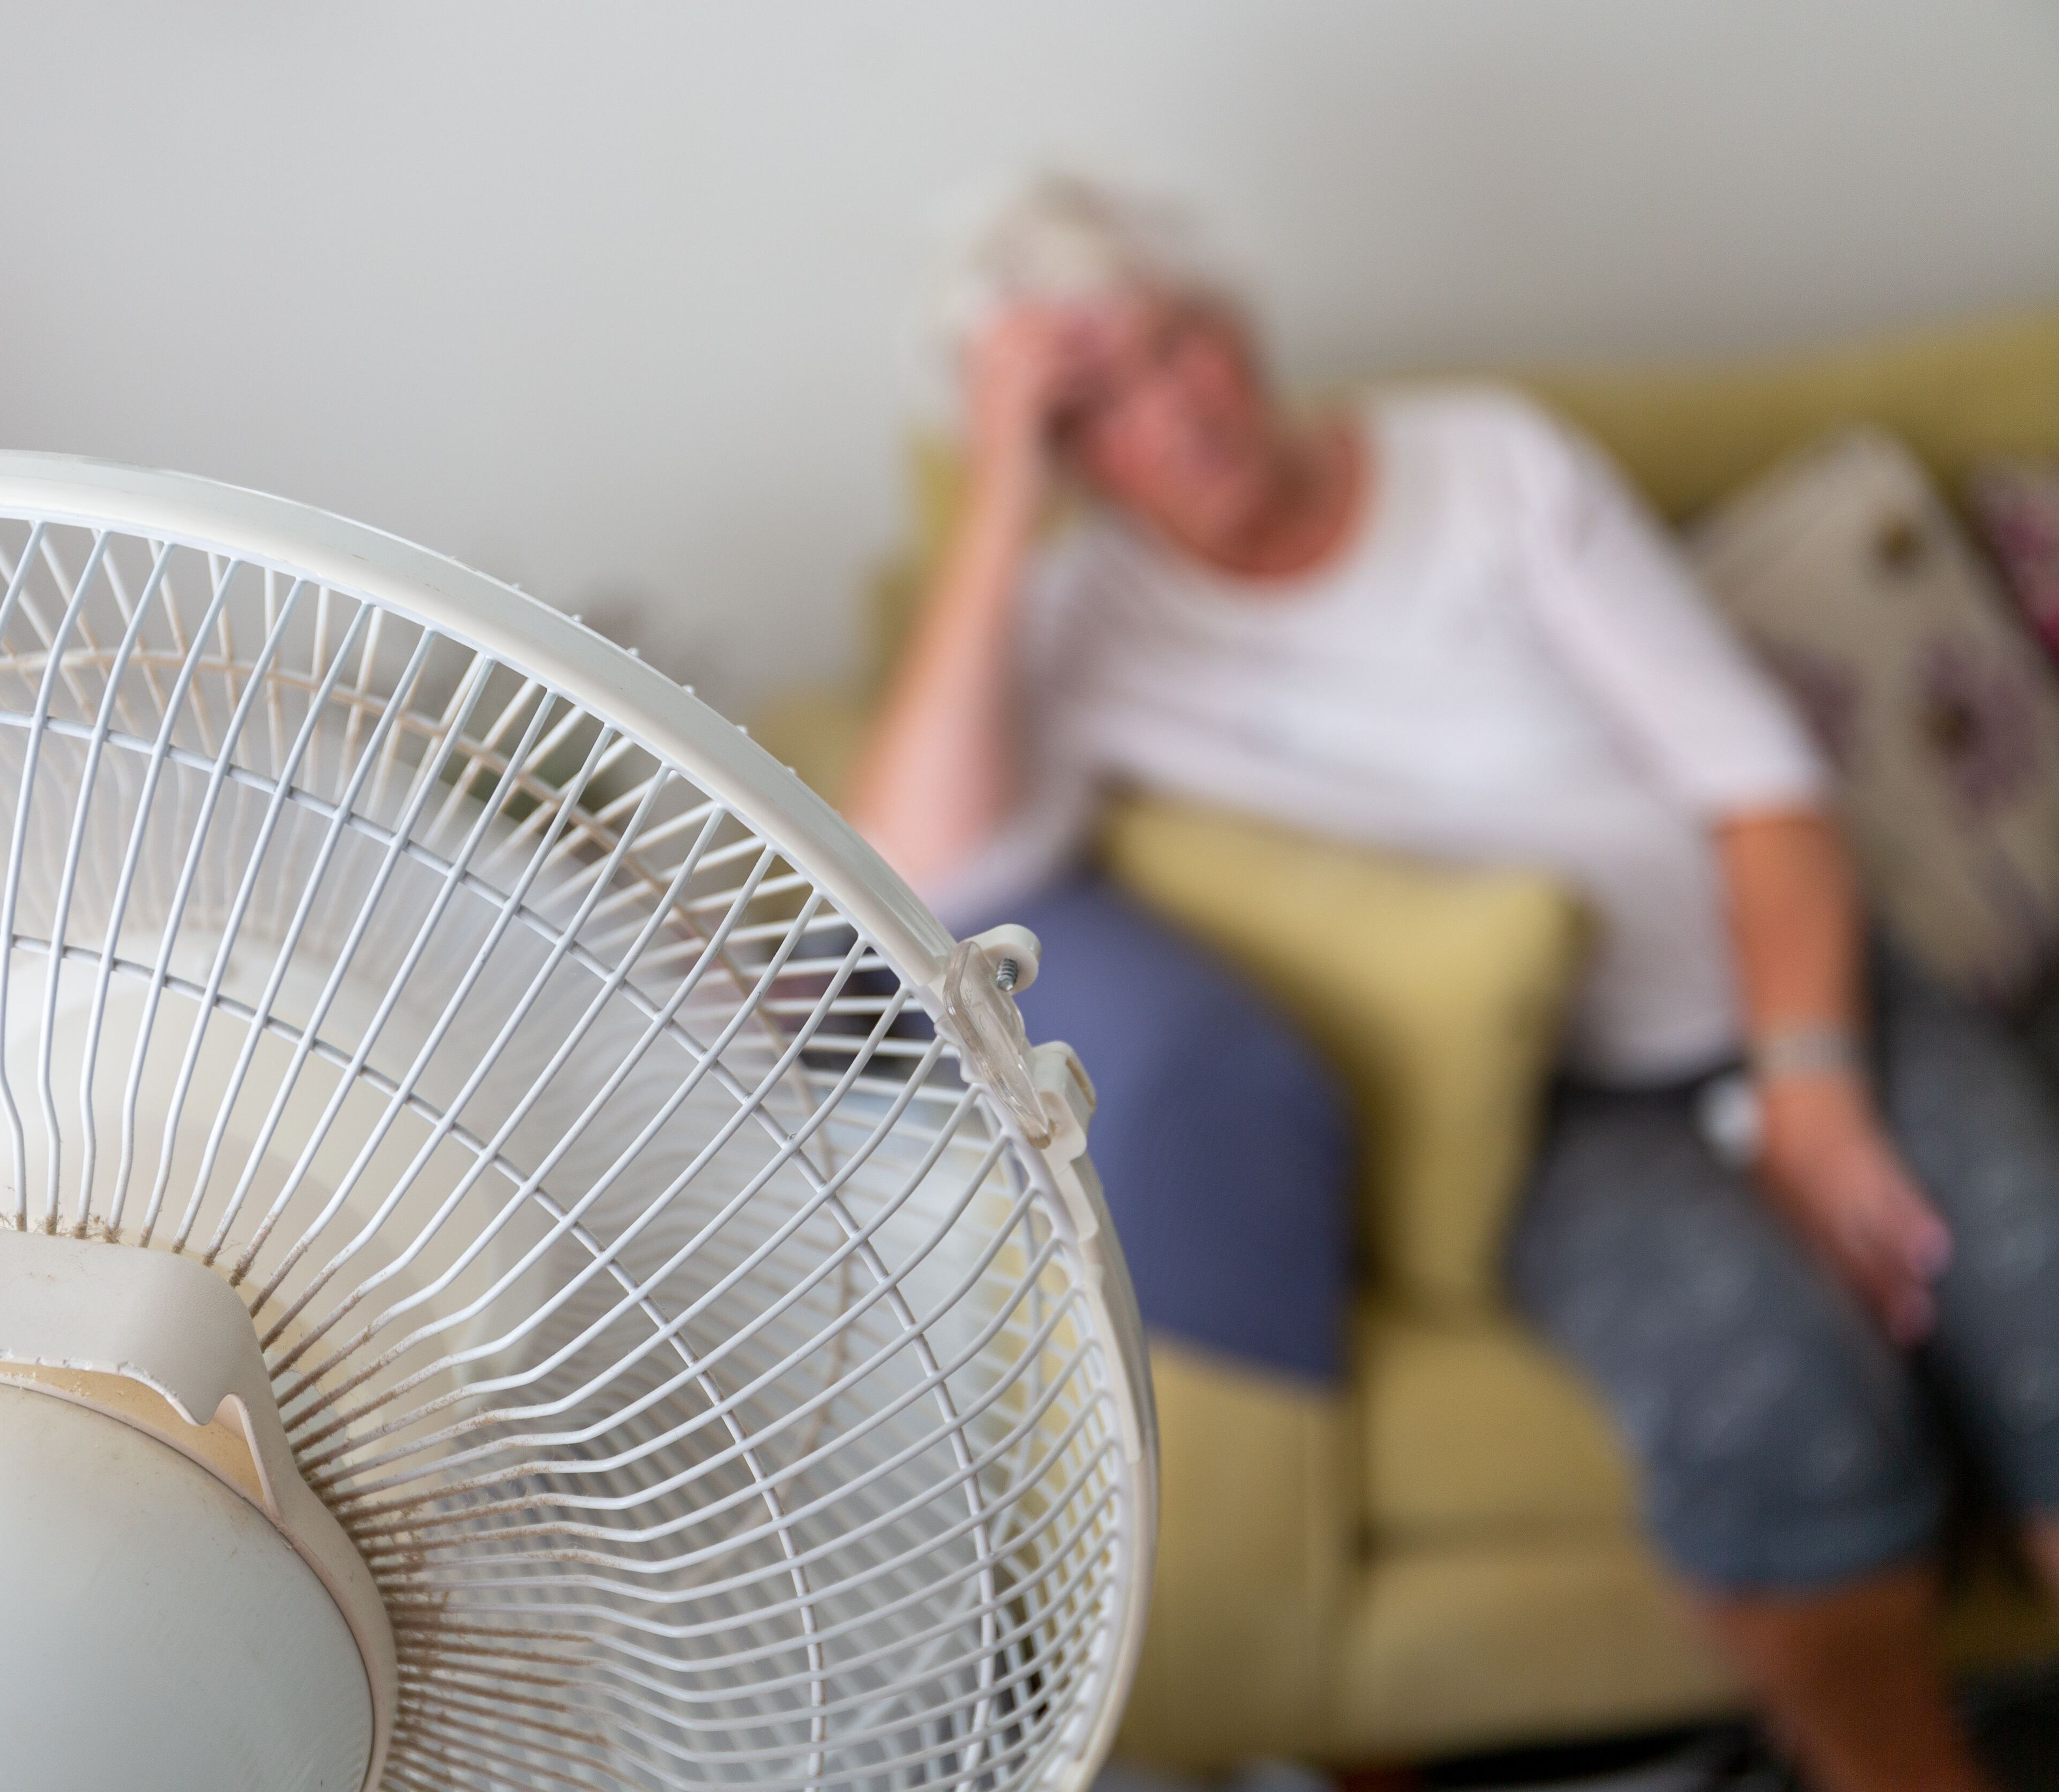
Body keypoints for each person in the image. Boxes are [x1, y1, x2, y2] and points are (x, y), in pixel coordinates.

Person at [848, 174, 2059, 1792]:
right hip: (1553, 1106)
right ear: (1064, 455)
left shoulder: (1487, 464)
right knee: (1763, 1400)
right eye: (1099, 401)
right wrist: (999, 499)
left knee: (2038, 1273)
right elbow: (914, 880)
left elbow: (1759, 791)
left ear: (1241, 325)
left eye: (1179, 340)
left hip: (1795, 981)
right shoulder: (1077, 629)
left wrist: (1812, 1087)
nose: (1176, 408)